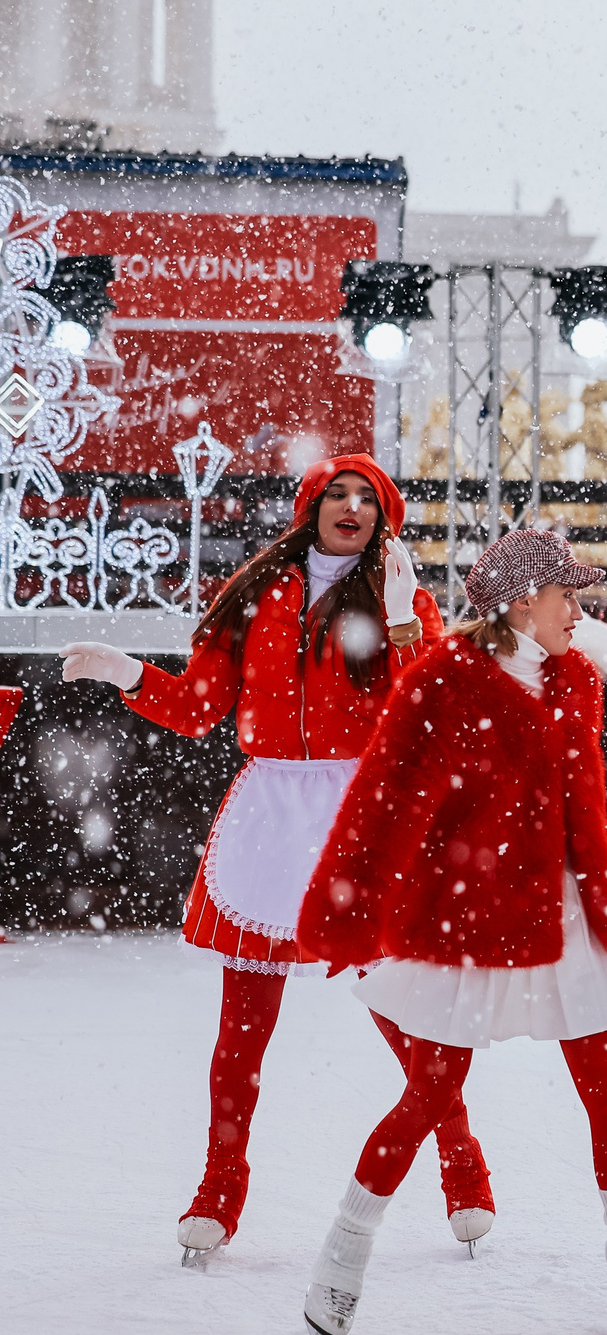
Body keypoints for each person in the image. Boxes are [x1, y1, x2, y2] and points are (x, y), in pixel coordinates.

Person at [57, 456, 489, 1265]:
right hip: (271, 812)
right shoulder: (258, 594)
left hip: (360, 817)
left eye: (368, 498)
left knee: (402, 1015)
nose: (352, 507)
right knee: (241, 1030)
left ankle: (462, 1161)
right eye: (338, 494)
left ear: (383, 519)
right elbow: (196, 708)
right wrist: (128, 673)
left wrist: (401, 621)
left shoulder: (404, 600)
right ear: (312, 508)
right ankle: (220, 1188)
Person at [295, 529, 607, 1335]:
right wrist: (349, 904)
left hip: (560, 908)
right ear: (519, 602)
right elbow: (383, 795)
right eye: (564, 596)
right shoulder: (443, 677)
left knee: (603, 1080)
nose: (577, 611)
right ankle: (345, 1249)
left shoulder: (577, 681)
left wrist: (606, 895)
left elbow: (588, 804)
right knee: (432, 1088)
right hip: (468, 910)